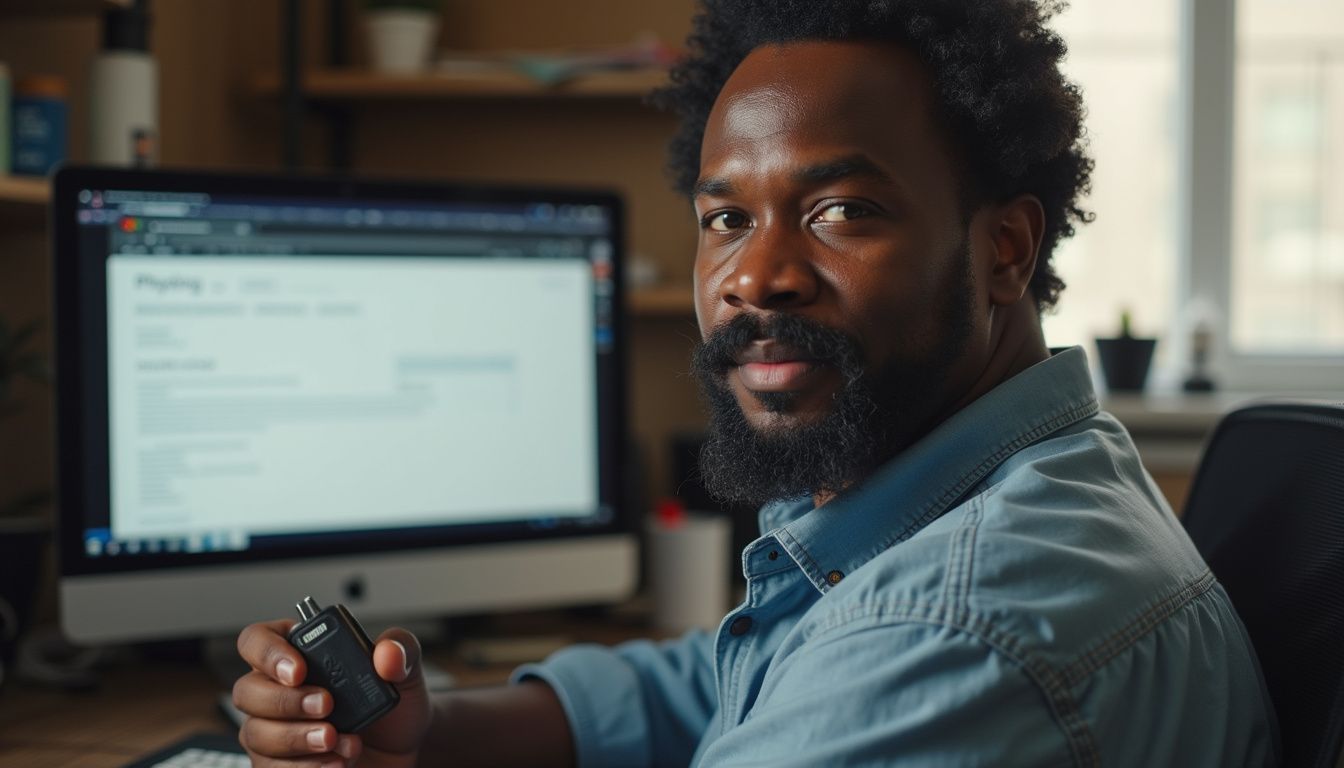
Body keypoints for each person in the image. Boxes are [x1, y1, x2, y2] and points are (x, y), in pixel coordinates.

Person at [232, 1, 1279, 765]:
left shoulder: (956, 633)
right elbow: (727, 683)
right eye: (727, 219)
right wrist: (434, 730)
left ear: (1004, 247)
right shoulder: (1002, 496)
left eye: (841, 213)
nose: (755, 277)